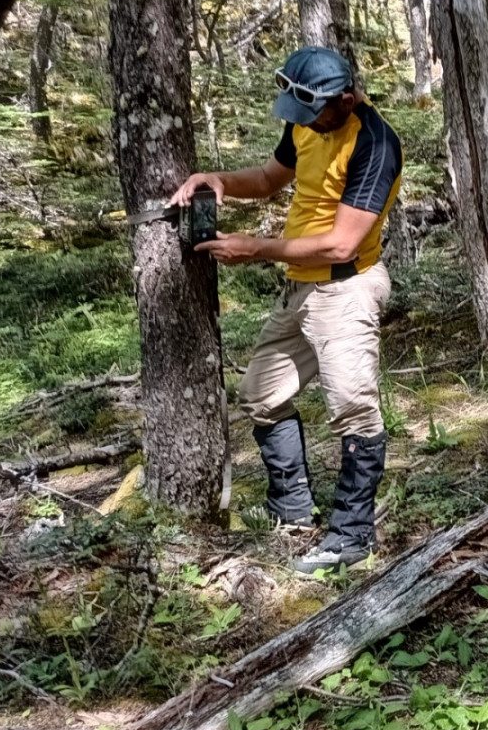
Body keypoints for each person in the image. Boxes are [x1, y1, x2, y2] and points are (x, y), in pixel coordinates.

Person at [172, 46, 403, 574]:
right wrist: (219, 180)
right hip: (300, 286)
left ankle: (350, 536)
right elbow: (271, 178)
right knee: (262, 393)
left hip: (346, 289)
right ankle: (293, 510)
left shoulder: (375, 142)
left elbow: (343, 244)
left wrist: (255, 247)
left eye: (317, 114)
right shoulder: (307, 123)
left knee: (352, 405)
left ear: (345, 99)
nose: (309, 124)